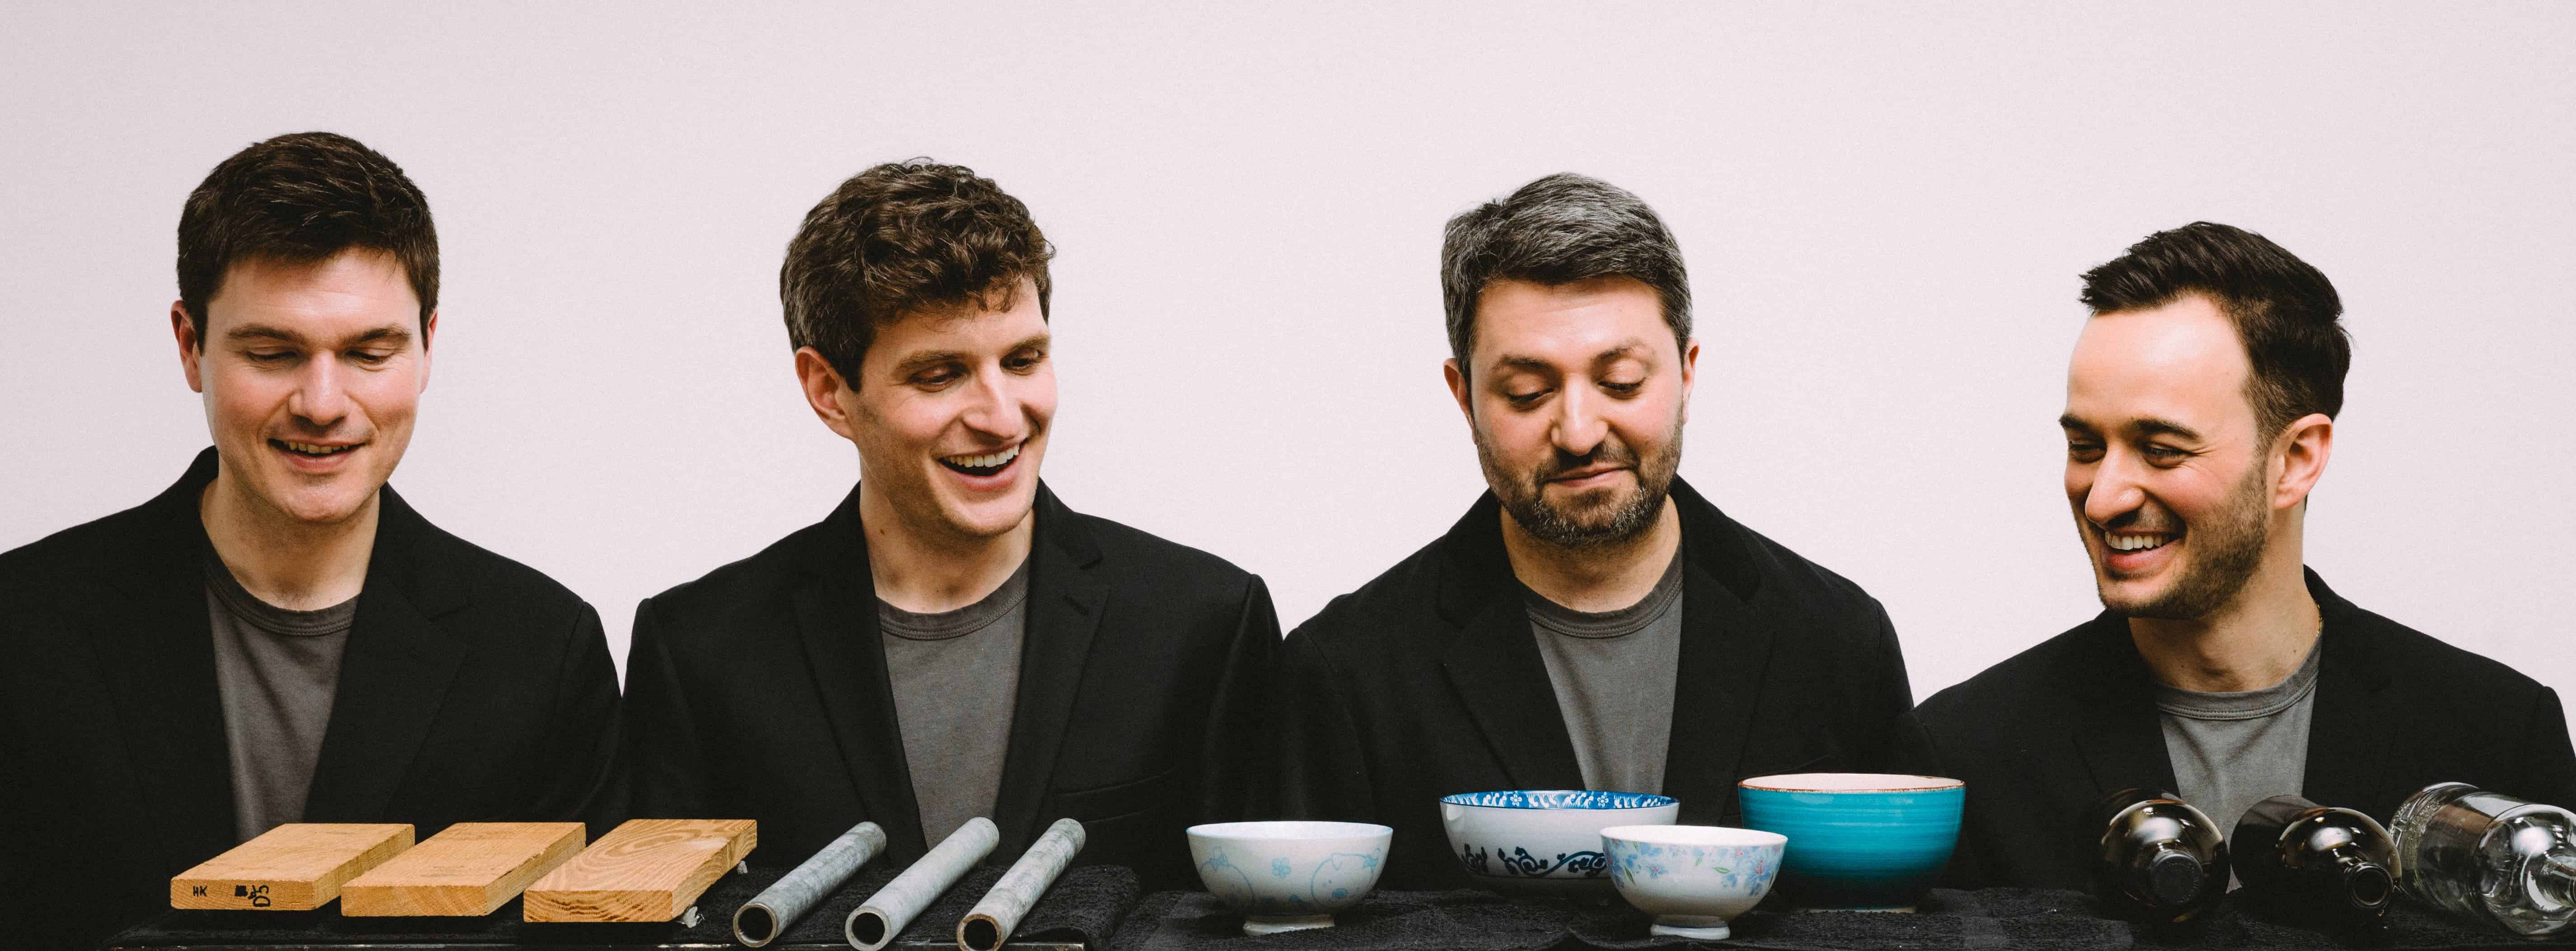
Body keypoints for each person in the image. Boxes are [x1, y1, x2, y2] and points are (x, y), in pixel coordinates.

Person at [0, 132, 621, 950]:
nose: (322, 403)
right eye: (272, 352)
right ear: (190, 346)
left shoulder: (543, 652)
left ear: (427, 347)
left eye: (369, 352)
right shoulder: (23, 627)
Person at [620, 160, 1277, 890]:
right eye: (939, 374)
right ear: (830, 391)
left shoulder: (1206, 622)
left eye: (1023, 360)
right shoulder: (699, 652)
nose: (1001, 416)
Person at [1275, 173, 1918, 890]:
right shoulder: (1347, 672)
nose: (1580, 432)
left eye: (1621, 381)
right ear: (1465, 398)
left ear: (1687, 375)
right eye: (1528, 392)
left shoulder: (1838, 642)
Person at [1915, 222, 2576, 889]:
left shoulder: (2499, 733)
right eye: (2086, 448)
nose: (2104, 499)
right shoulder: (1964, 755)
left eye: (2162, 450)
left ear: (2296, 459)